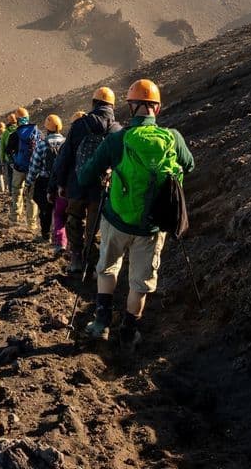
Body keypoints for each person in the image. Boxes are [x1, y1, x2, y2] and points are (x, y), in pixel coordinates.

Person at [77, 79, 195, 353]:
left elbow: (86, 176)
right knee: (140, 283)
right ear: (157, 108)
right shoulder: (173, 138)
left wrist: (108, 175)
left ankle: (101, 323)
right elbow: (189, 165)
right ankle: (129, 333)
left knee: (107, 268)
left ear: (131, 107)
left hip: (117, 219)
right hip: (153, 227)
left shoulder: (118, 140)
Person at [53, 87, 123, 274]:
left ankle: (76, 259)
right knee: (94, 228)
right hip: (101, 188)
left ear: (94, 104)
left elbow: (65, 156)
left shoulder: (80, 124)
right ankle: (91, 264)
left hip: (76, 184)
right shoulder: (117, 130)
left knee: (74, 220)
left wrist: (60, 183)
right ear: (112, 105)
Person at [26, 114, 66, 246]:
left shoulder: (42, 145)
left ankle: (45, 235)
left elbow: (34, 166)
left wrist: (29, 182)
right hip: (62, 182)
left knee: (45, 210)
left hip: (44, 181)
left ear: (47, 128)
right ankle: (61, 238)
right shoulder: (67, 143)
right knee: (61, 211)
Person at [5, 107, 40, 230]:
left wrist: (14, 161)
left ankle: (15, 218)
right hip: (33, 169)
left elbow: (8, 151)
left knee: (17, 192)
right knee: (31, 197)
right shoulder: (37, 132)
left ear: (18, 120)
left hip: (18, 168)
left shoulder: (15, 134)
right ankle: (32, 223)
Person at [0, 113, 18, 200]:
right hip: (18, 158)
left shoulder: (6, 133)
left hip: (8, 158)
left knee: (10, 176)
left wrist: (2, 159)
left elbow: (2, 147)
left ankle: (11, 192)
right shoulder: (19, 130)